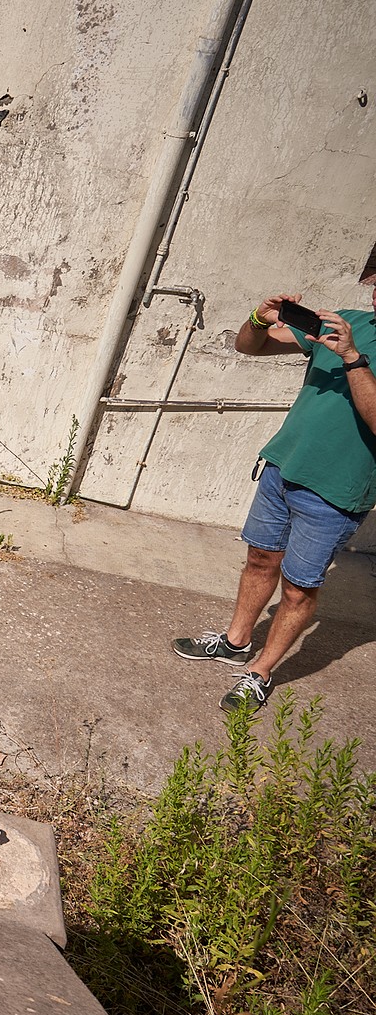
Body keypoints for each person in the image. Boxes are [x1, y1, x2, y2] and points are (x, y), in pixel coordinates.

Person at [171, 282, 376, 713]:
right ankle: (235, 642)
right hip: (283, 468)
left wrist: (353, 359)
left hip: (336, 492)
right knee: (260, 560)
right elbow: (252, 347)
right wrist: (257, 319)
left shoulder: (351, 341)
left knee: (299, 590)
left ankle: (260, 672)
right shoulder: (346, 321)